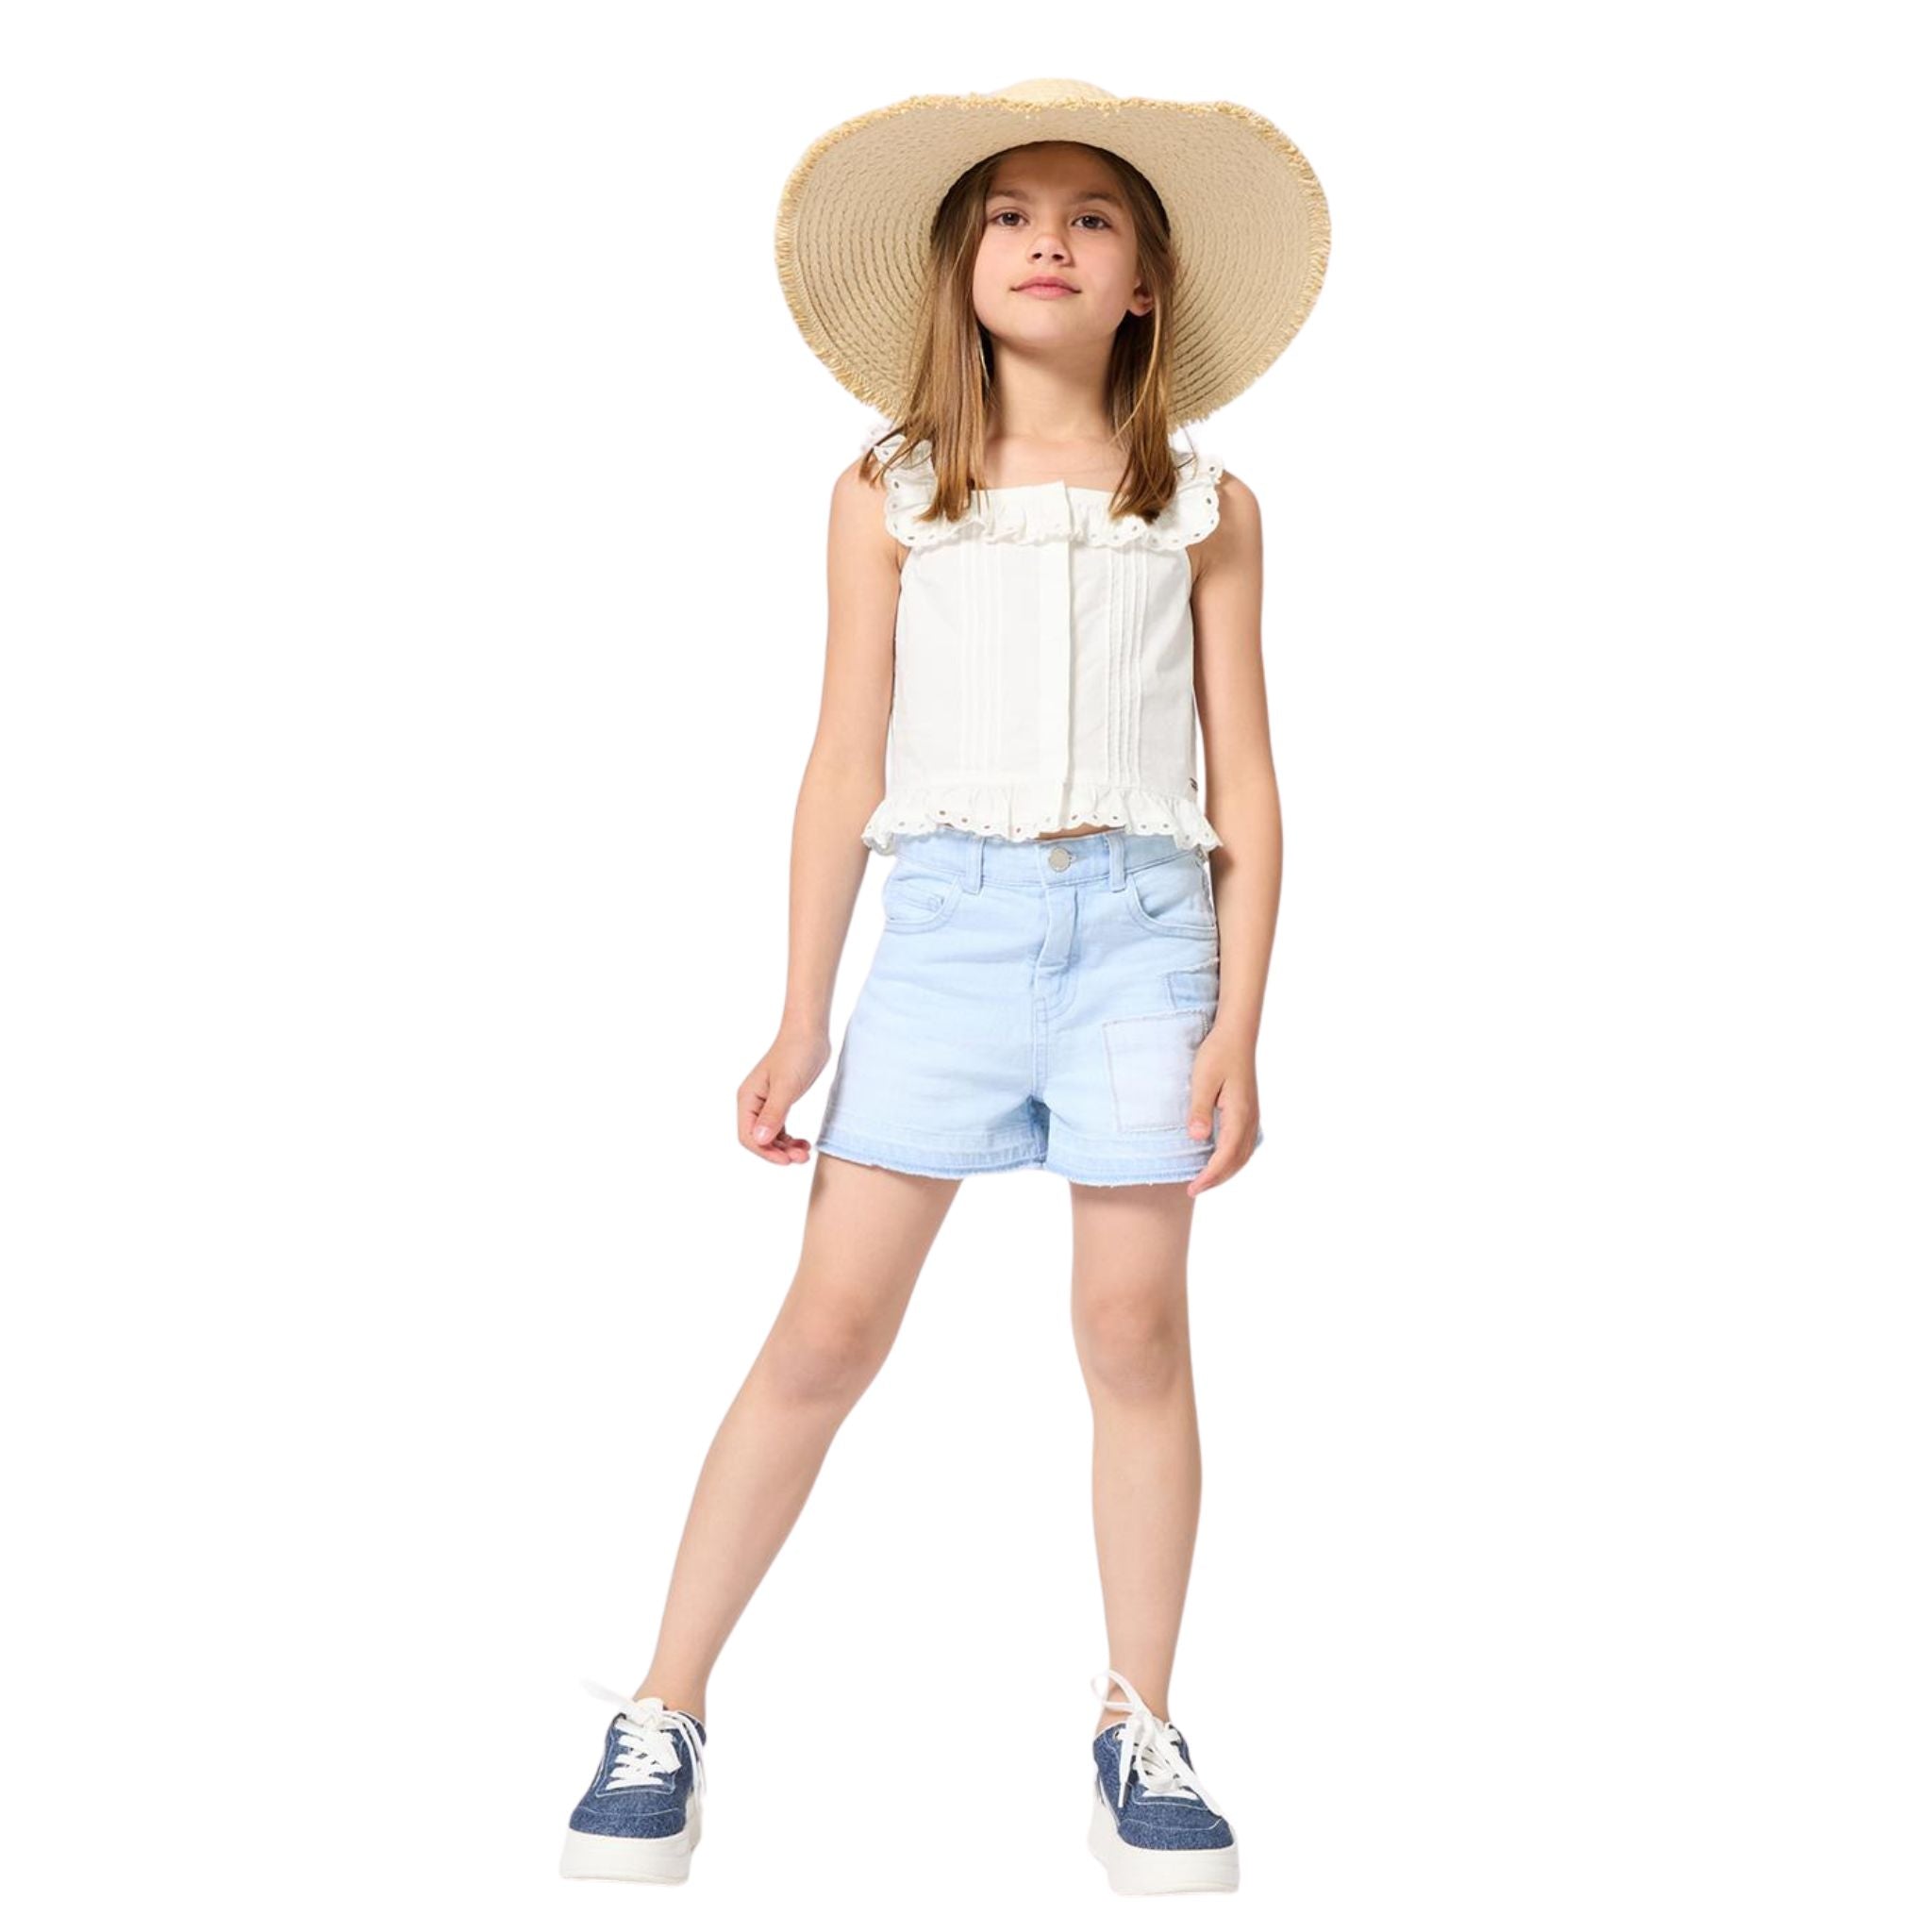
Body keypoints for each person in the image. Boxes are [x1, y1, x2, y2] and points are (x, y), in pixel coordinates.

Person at [558, 76, 1330, 1897]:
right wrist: (801, 1012)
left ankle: (1140, 1722)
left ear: (1145, 279)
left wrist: (1240, 1023)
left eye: (1090, 216)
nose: (1047, 241)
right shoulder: (892, 492)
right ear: (960, 267)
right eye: (1009, 215)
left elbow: (1247, 779)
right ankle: (665, 1704)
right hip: (948, 941)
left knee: (1134, 1334)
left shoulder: (1202, 505)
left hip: (1144, 940)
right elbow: (843, 758)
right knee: (828, 1330)